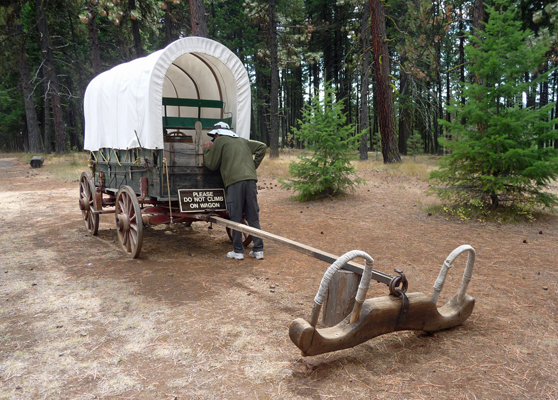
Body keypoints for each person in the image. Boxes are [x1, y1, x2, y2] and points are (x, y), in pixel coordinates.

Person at [203, 122, 267, 260]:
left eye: (214, 137)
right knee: (252, 215)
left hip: (234, 182)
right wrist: (252, 166)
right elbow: (262, 146)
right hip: (250, 180)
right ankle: (258, 250)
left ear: (217, 134)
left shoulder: (220, 141)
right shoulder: (242, 141)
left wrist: (207, 149)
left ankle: (238, 251)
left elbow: (212, 165)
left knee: (235, 215)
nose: (214, 139)